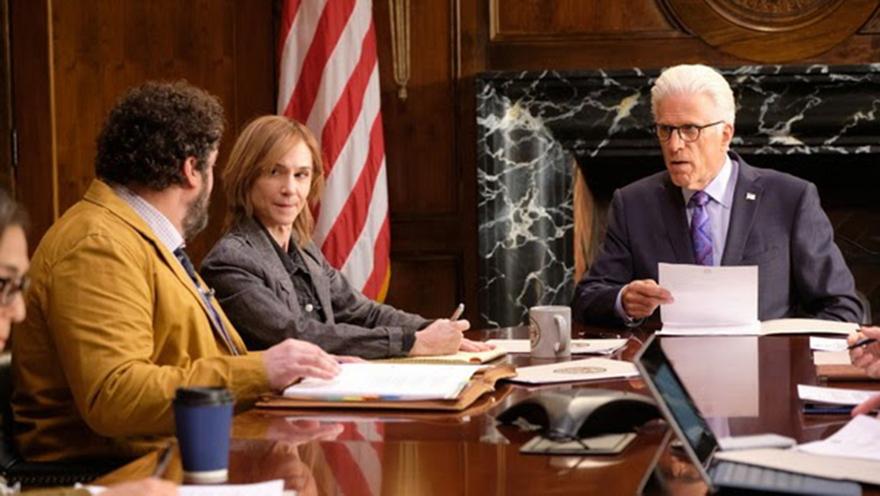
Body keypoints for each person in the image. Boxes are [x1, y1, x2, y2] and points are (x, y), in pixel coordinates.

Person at [12, 82, 343, 463]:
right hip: (121, 473)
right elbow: (115, 396)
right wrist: (263, 371)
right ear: (191, 170)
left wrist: (305, 370)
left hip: (185, 452)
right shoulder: (98, 244)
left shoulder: (138, 236)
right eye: (213, 166)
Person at [571, 64, 863, 327]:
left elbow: (842, 307)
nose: (674, 145)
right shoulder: (634, 203)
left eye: (690, 129)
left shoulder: (790, 199)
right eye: (665, 129)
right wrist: (623, 301)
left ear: (725, 134)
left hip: (763, 364)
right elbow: (587, 298)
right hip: (669, 366)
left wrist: (786, 355)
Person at [201, 116, 491, 359]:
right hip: (275, 403)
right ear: (246, 177)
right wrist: (410, 342)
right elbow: (296, 335)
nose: (290, 189)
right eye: (275, 172)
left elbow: (361, 312)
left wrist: (432, 329)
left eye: (301, 175)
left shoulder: (304, 250)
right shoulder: (230, 261)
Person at [0, 190, 176, 495]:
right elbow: (116, 398)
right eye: (3, 283)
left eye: (19, 286)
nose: (19, 312)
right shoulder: (92, 241)